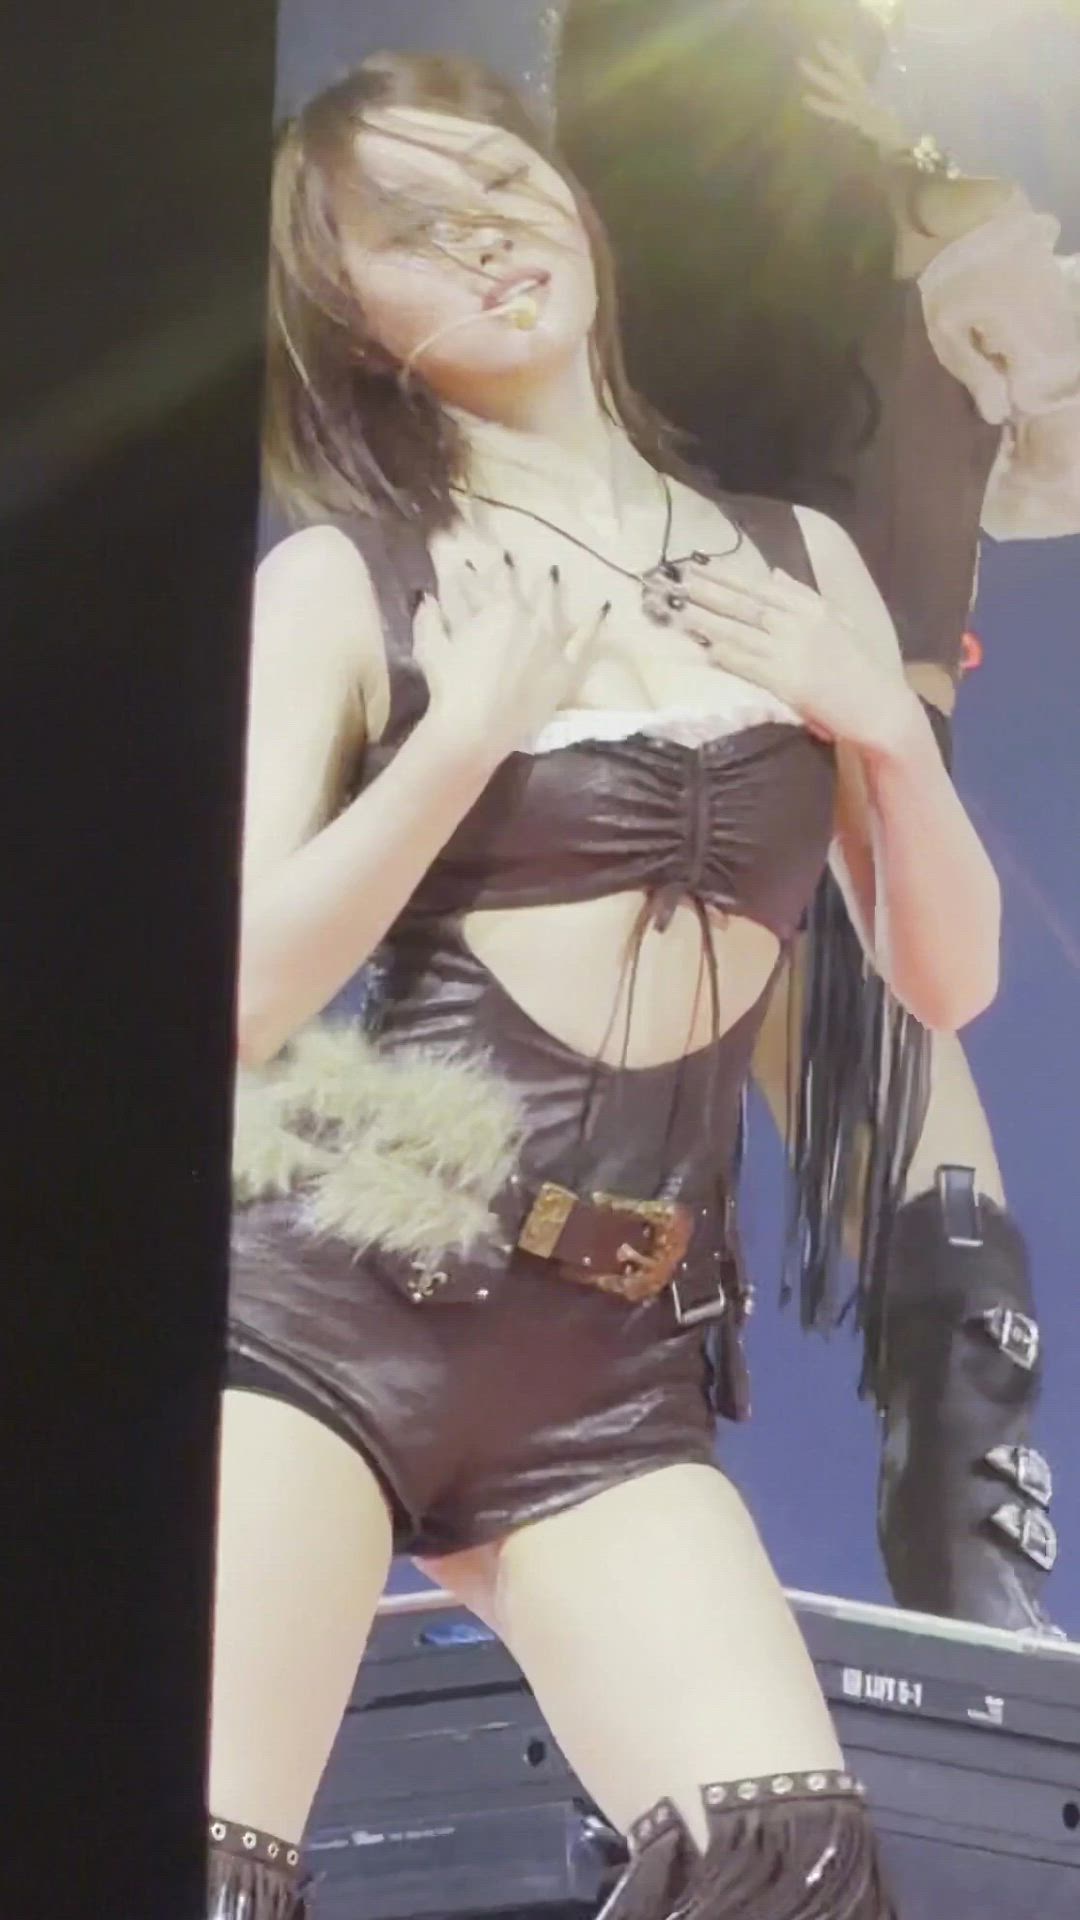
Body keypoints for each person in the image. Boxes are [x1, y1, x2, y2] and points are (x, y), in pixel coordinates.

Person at [218, 49, 1000, 1918]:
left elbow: (945, 975)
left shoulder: (796, 559)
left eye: (502, 183)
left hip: (614, 1366)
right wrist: (456, 734)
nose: (485, 237)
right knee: (208, 1866)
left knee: (790, 1871)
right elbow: (233, 1000)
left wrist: (886, 728)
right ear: (349, 310)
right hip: (337, 1313)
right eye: (413, 227)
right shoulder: (350, 580)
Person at [555, 0, 1080, 1632]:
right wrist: (921, 167)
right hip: (836, 776)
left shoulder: (601, 292)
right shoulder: (941, 242)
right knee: (937, 1224)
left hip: (649, 778)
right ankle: (979, 1628)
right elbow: (1059, 456)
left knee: (604, 1219)